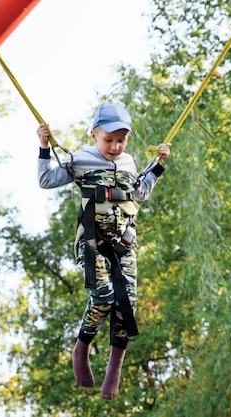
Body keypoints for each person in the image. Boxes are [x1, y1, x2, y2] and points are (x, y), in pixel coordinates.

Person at [36, 103, 171, 400]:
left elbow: (140, 193)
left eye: (121, 140)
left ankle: (115, 368)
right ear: (94, 134)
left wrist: (158, 165)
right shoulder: (80, 160)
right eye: (108, 139)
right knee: (104, 295)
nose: (115, 146)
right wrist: (45, 147)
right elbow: (46, 181)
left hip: (124, 244)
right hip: (92, 241)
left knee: (128, 304)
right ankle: (81, 348)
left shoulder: (130, 162)